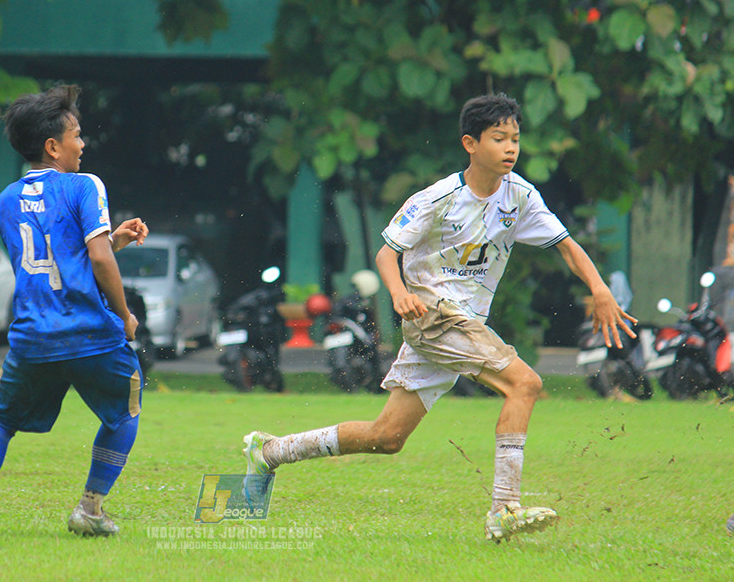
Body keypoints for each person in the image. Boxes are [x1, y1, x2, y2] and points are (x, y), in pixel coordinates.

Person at [243, 92, 636, 542]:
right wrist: (399, 295)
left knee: (387, 437)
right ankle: (504, 510)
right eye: (499, 138)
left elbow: (566, 244)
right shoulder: (437, 198)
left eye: (515, 139)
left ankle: (270, 451)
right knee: (525, 384)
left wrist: (600, 290)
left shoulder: (521, 196)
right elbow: (387, 253)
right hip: (435, 317)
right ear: (470, 143)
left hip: (463, 323)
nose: (510, 148)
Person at [0, 84, 149, 538]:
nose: (83, 143)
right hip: (90, 332)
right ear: (53, 146)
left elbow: (50, 258)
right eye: (76, 135)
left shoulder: (5, 199)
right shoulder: (85, 185)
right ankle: (90, 509)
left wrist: (111, 238)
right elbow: (96, 260)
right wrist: (124, 316)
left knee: (0, 420)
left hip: (33, 337)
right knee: (124, 414)